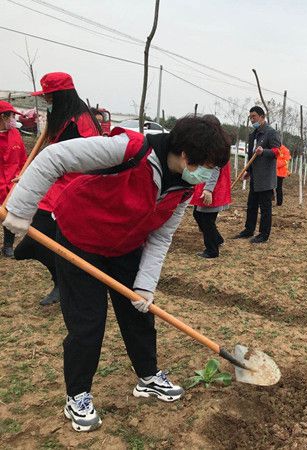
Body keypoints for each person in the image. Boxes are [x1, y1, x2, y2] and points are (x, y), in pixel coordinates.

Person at [3, 115, 230, 432]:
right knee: (88, 321)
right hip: (80, 237)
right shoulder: (129, 149)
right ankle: (77, 395)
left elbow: (161, 236)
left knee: (139, 312)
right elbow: (54, 157)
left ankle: (148, 377)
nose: (209, 173)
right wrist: (21, 209)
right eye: (206, 165)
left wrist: (146, 286)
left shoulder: (184, 187)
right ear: (185, 155)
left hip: (125, 244)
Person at [14, 72, 101, 306]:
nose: (46, 101)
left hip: (73, 189)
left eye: (49, 96)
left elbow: (92, 160)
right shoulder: (60, 115)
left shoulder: (81, 121)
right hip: (55, 185)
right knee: (37, 241)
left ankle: (66, 282)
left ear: (60, 94)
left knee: (34, 242)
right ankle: (62, 281)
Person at [233, 106, 280, 243]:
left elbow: (277, 152)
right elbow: (251, 155)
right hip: (255, 176)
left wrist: (264, 151)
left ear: (262, 116)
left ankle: (263, 234)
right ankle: (248, 230)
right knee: (251, 205)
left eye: (254, 116)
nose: (252, 119)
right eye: (250, 117)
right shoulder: (253, 134)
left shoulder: (271, 133)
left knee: (265, 208)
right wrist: (249, 171)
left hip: (265, 177)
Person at [191, 115, 231, 259]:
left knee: (206, 220)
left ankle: (212, 250)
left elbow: (214, 169)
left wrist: (208, 189)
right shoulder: (217, 142)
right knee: (199, 214)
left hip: (212, 187)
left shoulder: (216, 145)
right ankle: (217, 239)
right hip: (210, 186)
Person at [0, 101, 27, 257]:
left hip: (12, 183)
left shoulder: (15, 134)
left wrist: (22, 175)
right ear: (3, 117)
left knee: (10, 215)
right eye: (10, 116)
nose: (13, 120)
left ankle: (8, 245)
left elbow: (23, 158)